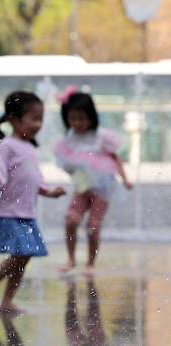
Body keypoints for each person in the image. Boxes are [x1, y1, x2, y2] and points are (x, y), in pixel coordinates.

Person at [0, 91, 66, 313]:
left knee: (23, 258)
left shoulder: (29, 148)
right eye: (34, 118)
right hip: (9, 212)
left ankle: (8, 300)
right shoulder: (8, 146)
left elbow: (35, 180)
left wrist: (50, 191)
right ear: (14, 120)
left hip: (26, 213)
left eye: (41, 118)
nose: (38, 124)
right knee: (21, 253)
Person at [55, 90, 132, 276]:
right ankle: (71, 258)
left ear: (91, 116)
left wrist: (125, 178)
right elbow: (68, 162)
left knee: (93, 226)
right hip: (83, 187)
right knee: (70, 219)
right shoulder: (70, 138)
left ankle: (90, 263)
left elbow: (115, 158)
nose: (77, 124)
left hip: (102, 189)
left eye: (81, 118)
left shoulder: (101, 136)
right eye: (72, 119)